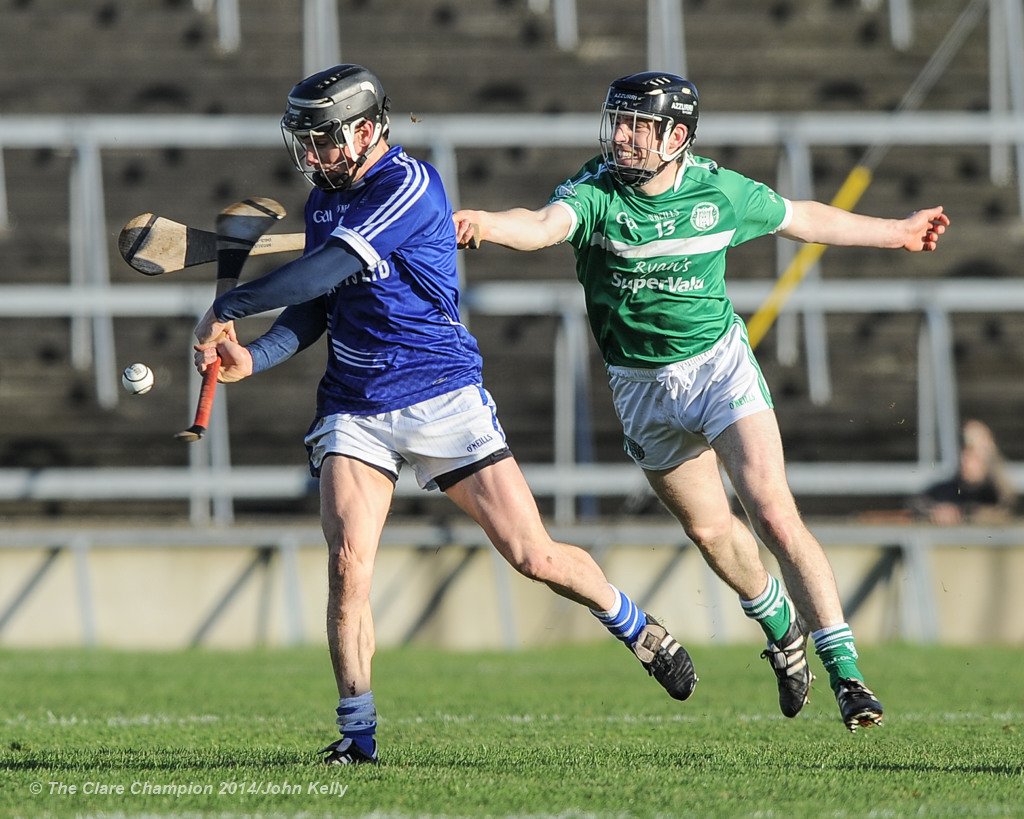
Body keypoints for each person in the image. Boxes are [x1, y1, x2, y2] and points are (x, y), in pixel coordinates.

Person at [191, 65, 697, 766]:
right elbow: (314, 308)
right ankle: (358, 733)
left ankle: (638, 626)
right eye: (305, 142)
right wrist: (259, 354)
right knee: (348, 566)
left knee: (533, 555)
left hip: (440, 393)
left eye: (325, 141)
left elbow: (321, 270)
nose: (313, 156)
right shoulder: (324, 202)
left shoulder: (409, 185)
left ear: (368, 130)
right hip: (355, 404)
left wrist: (228, 306)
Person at [454, 71, 951, 732]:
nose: (622, 136)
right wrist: (487, 221)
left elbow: (802, 216)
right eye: (618, 122)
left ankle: (849, 674)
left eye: (638, 125)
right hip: (641, 388)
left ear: (676, 136)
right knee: (711, 529)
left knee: (772, 510)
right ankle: (781, 626)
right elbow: (543, 224)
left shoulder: (720, 191)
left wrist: (897, 232)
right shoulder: (596, 193)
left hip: (720, 369)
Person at [909, 419, 1016, 525]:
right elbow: (916, 505)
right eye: (962, 452)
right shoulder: (944, 490)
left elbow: (1004, 509)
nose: (963, 460)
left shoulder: (998, 490)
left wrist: (962, 514)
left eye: (971, 454)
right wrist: (935, 512)